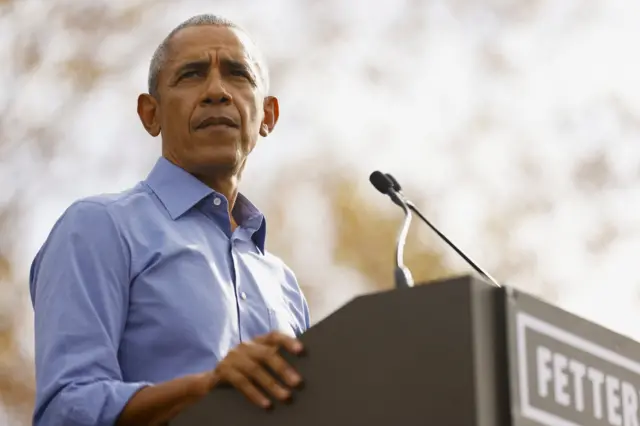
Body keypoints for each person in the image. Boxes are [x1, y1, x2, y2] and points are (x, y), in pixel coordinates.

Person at [29, 14, 311, 426]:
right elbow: (65, 410)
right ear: (150, 114)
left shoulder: (284, 284)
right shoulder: (99, 228)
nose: (217, 91)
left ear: (268, 115)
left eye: (238, 75)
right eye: (192, 75)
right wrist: (205, 389)